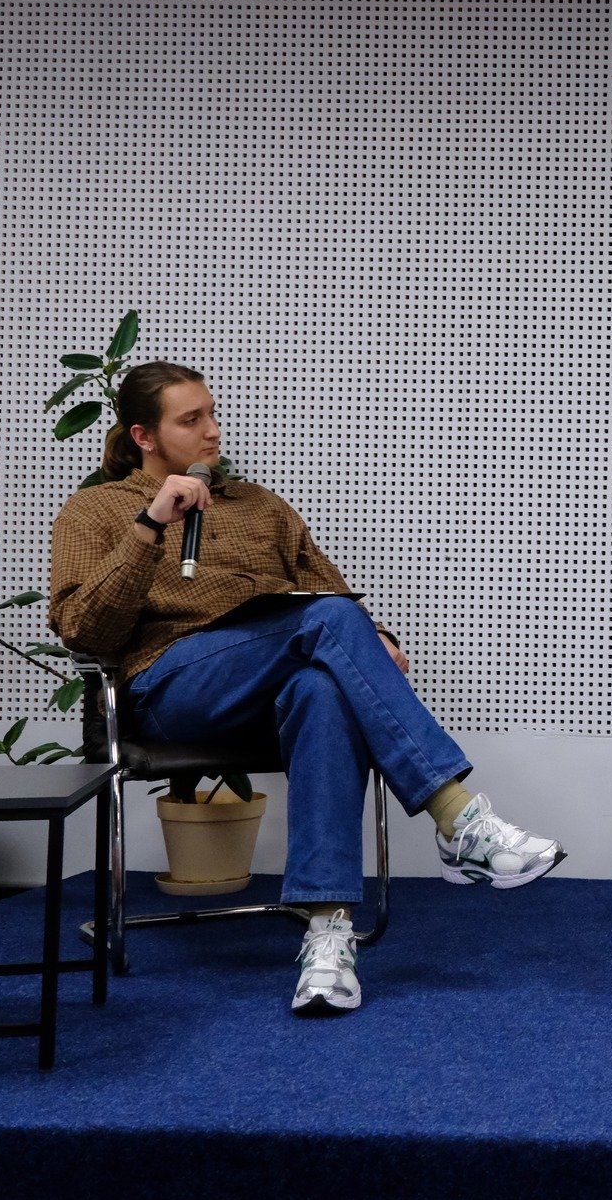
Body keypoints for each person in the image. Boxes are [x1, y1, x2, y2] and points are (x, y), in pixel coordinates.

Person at [49, 362, 563, 1016]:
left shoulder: (261, 506)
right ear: (144, 436)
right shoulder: (96, 509)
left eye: (212, 412)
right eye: (191, 419)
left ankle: (328, 936)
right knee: (327, 626)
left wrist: (376, 635)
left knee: (322, 689)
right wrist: (151, 524)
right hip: (173, 687)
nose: (213, 430)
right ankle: (460, 820)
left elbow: (329, 592)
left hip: (273, 692)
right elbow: (83, 628)